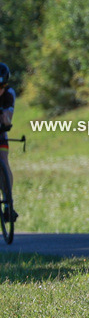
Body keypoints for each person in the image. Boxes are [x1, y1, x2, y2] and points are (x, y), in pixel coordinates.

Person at [0, 63, 18, 223]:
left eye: (2, 85)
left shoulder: (9, 94)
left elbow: (7, 121)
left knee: (4, 161)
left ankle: (8, 203)